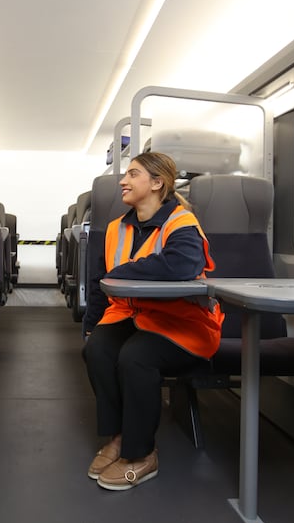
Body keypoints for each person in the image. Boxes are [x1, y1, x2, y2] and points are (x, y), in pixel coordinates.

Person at [82, 152, 224, 491]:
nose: (122, 181)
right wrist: (91, 325)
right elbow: (101, 282)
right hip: (131, 315)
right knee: (98, 349)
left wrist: (122, 272)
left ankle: (142, 453)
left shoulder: (181, 223)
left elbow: (180, 267)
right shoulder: (117, 227)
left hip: (182, 324)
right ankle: (119, 436)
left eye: (133, 174)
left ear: (157, 183)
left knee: (135, 357)